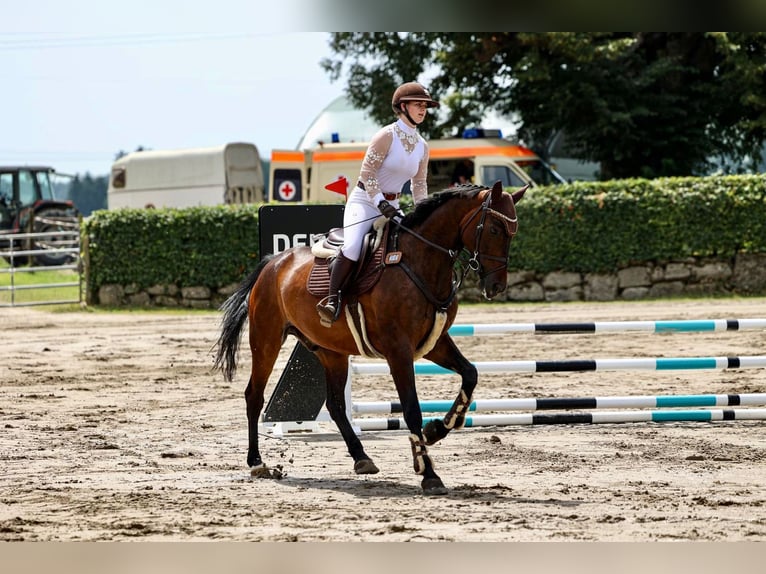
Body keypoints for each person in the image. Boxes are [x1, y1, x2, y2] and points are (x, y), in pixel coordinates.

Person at [316, 81, 440, 326]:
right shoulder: (386, 135)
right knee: (352, 247)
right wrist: (381, 202)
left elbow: (419, 185)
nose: (423, 109)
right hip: (365, 202)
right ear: (402, 107)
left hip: (394, 206)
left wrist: (424, 213)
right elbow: (367, 173)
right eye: (418, 105)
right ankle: (332, 300)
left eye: (425, 105)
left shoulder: (422, 146)